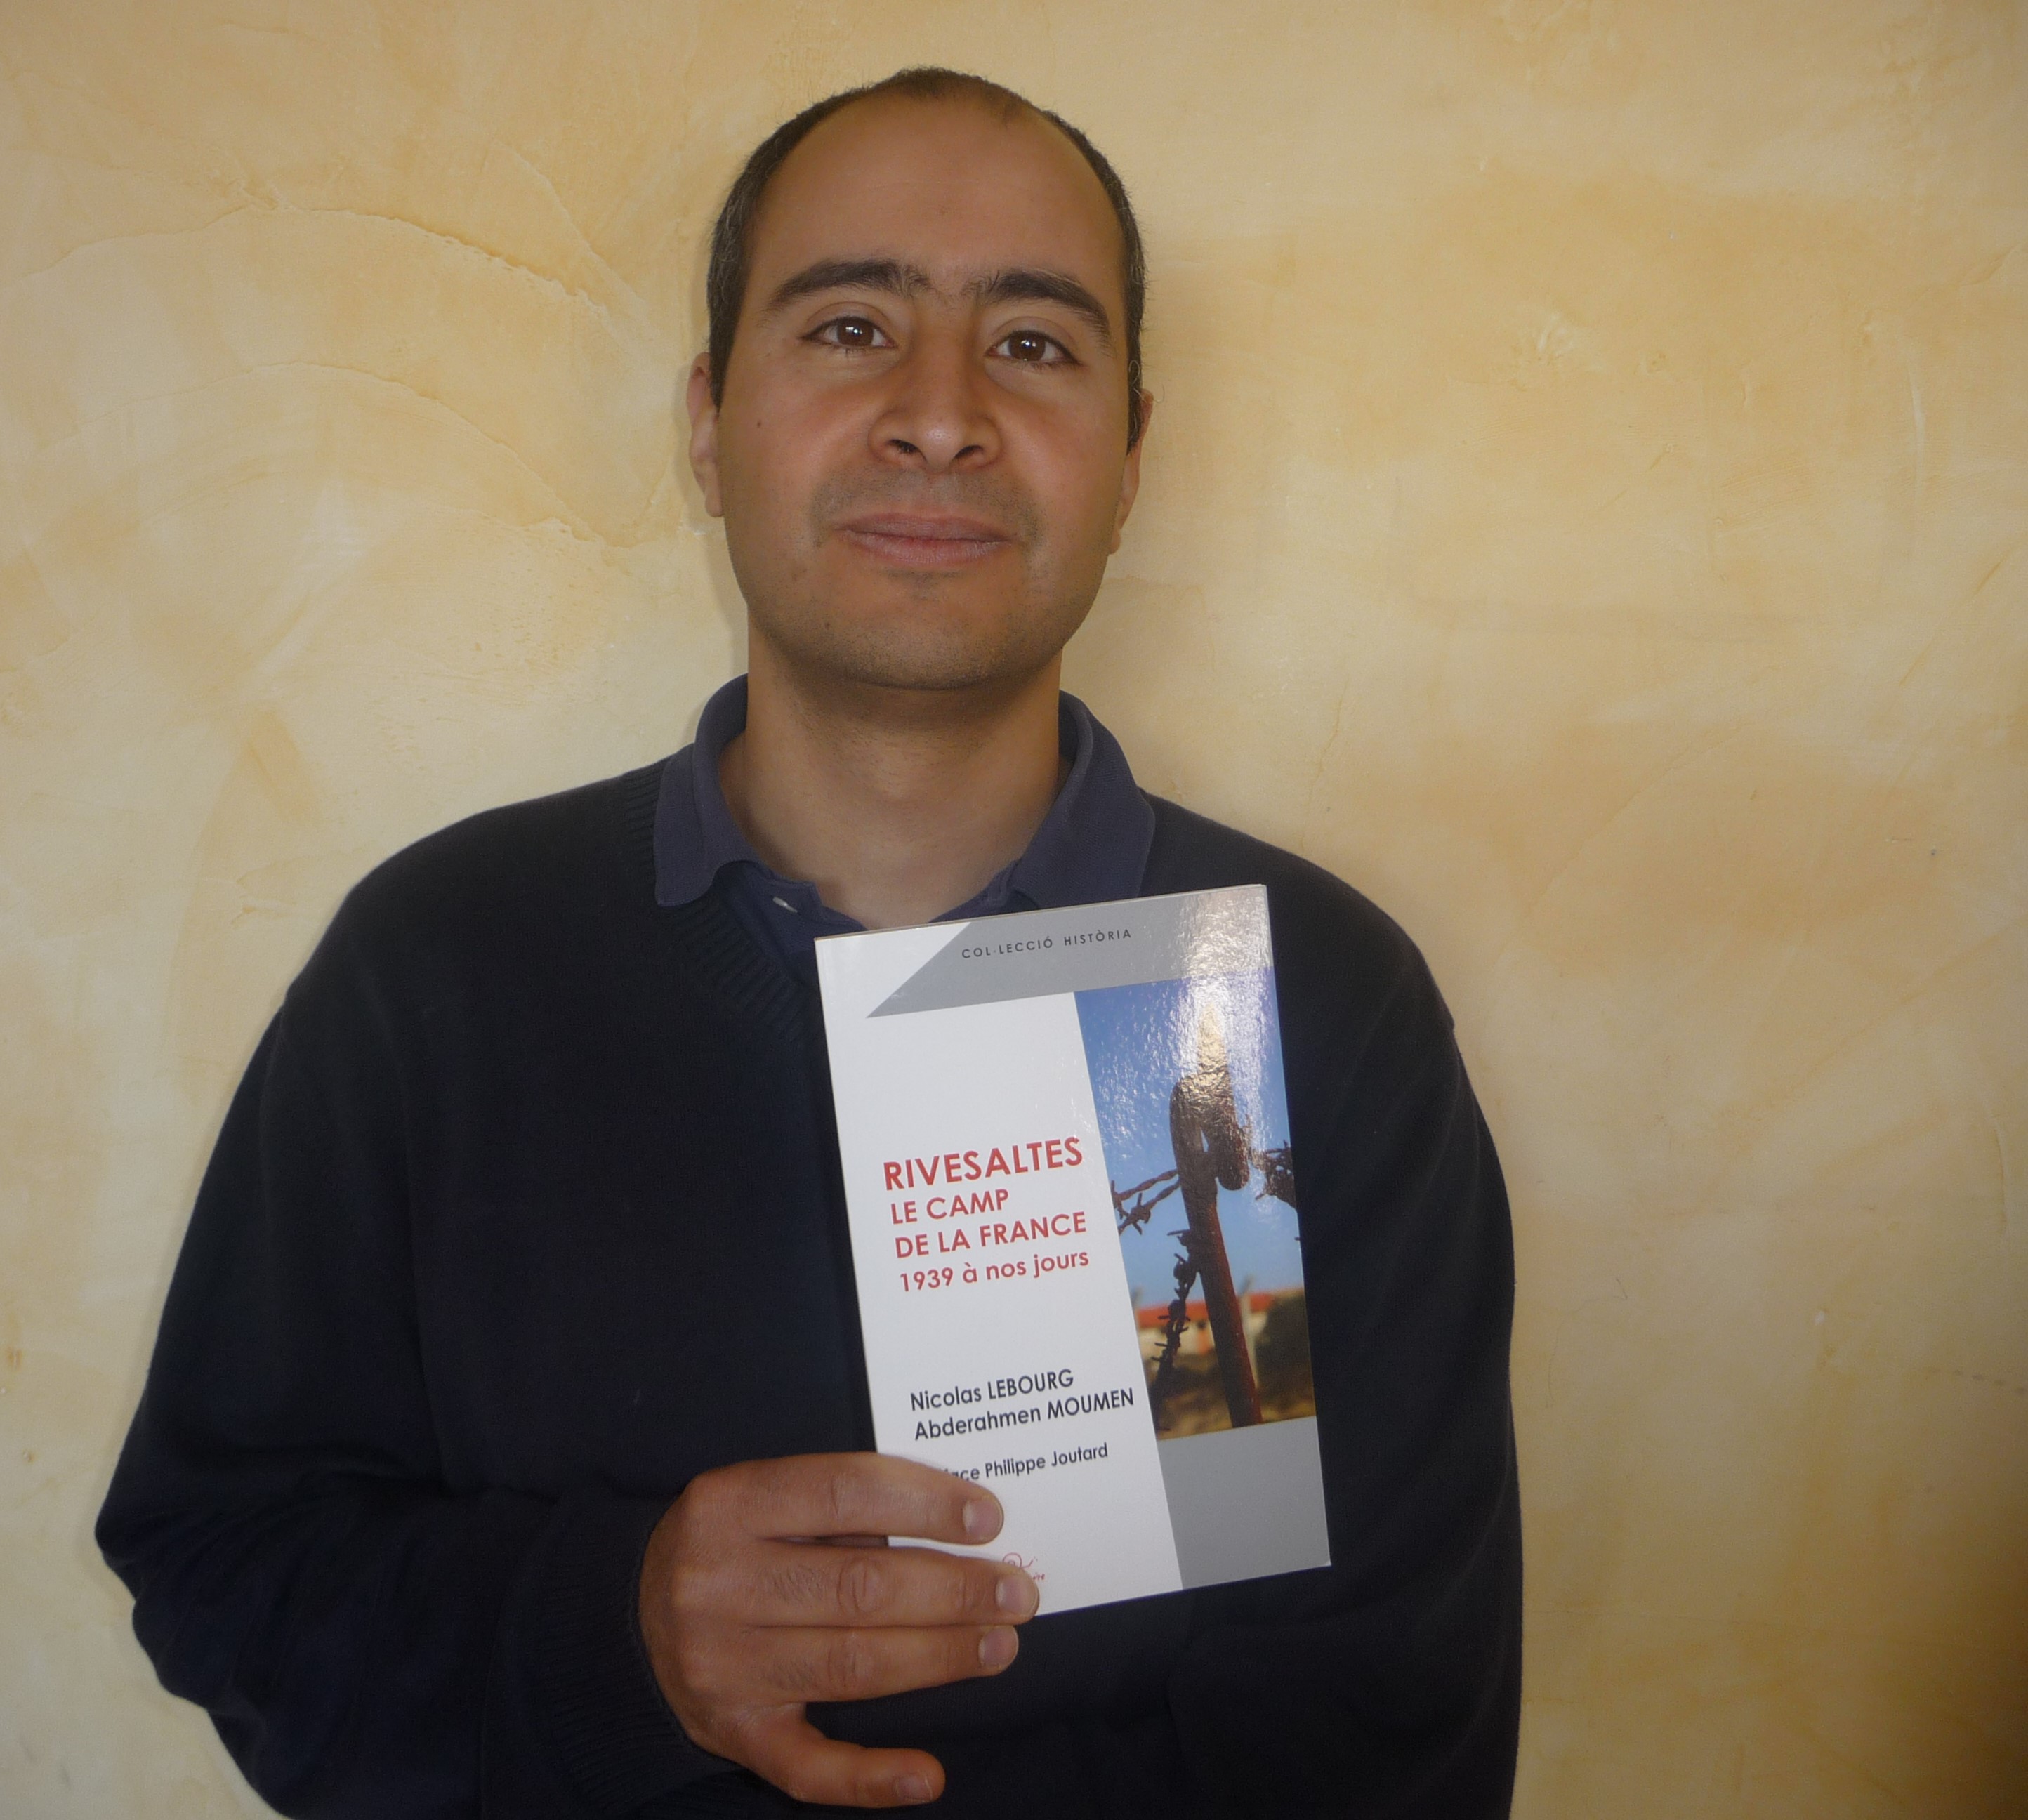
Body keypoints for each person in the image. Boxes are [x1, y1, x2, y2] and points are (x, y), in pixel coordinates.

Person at [98, 67, 1520, 1819]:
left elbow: (1394, 1721)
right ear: (709, 426)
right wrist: (611, 1629)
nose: (940, 417)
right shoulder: (434, 968)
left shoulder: (1316, 1002)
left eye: (1033, 345)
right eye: (851, 327)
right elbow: (226, 1557)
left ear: (1132, 456)